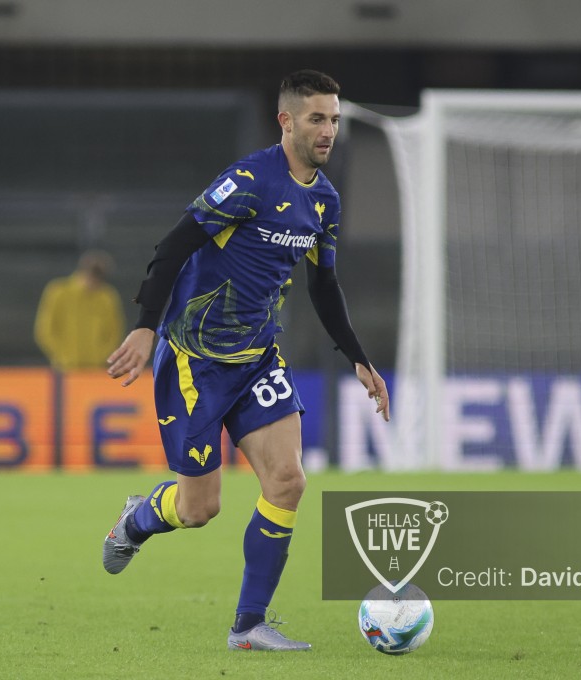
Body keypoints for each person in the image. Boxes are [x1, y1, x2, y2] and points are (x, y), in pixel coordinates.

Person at [102, 70, 390, 652]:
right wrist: (145, 326)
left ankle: (248, 627)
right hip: (196, 360)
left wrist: (359, 358)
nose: (328, 130)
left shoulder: (325, 201)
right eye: (317, 118)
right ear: (286, 121)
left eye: (334, 120)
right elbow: (174, 247)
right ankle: (138, 518)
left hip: (257, 357)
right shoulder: (249, 181)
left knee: (287, 480)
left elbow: (324, 286)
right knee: (198, 508)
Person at [34, 249, 125, 371]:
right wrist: (62, 356)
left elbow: (114, 332)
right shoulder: (58, 292)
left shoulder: (107, 297)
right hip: (64, 368)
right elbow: (45, 330)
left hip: (95, 369)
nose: (93, 283)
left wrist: (101, 357)